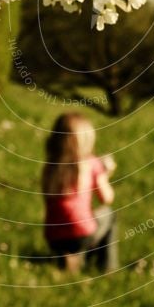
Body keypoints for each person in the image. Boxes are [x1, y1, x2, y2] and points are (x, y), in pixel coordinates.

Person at [41, 113, 119, 273]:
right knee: (109, 215)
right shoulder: (91, 164)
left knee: (78, 223)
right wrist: (105, 174)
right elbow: (107, 198)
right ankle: (107, 267)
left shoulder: (49, 167)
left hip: (53, 237)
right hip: (80, 234)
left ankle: (68, 257)